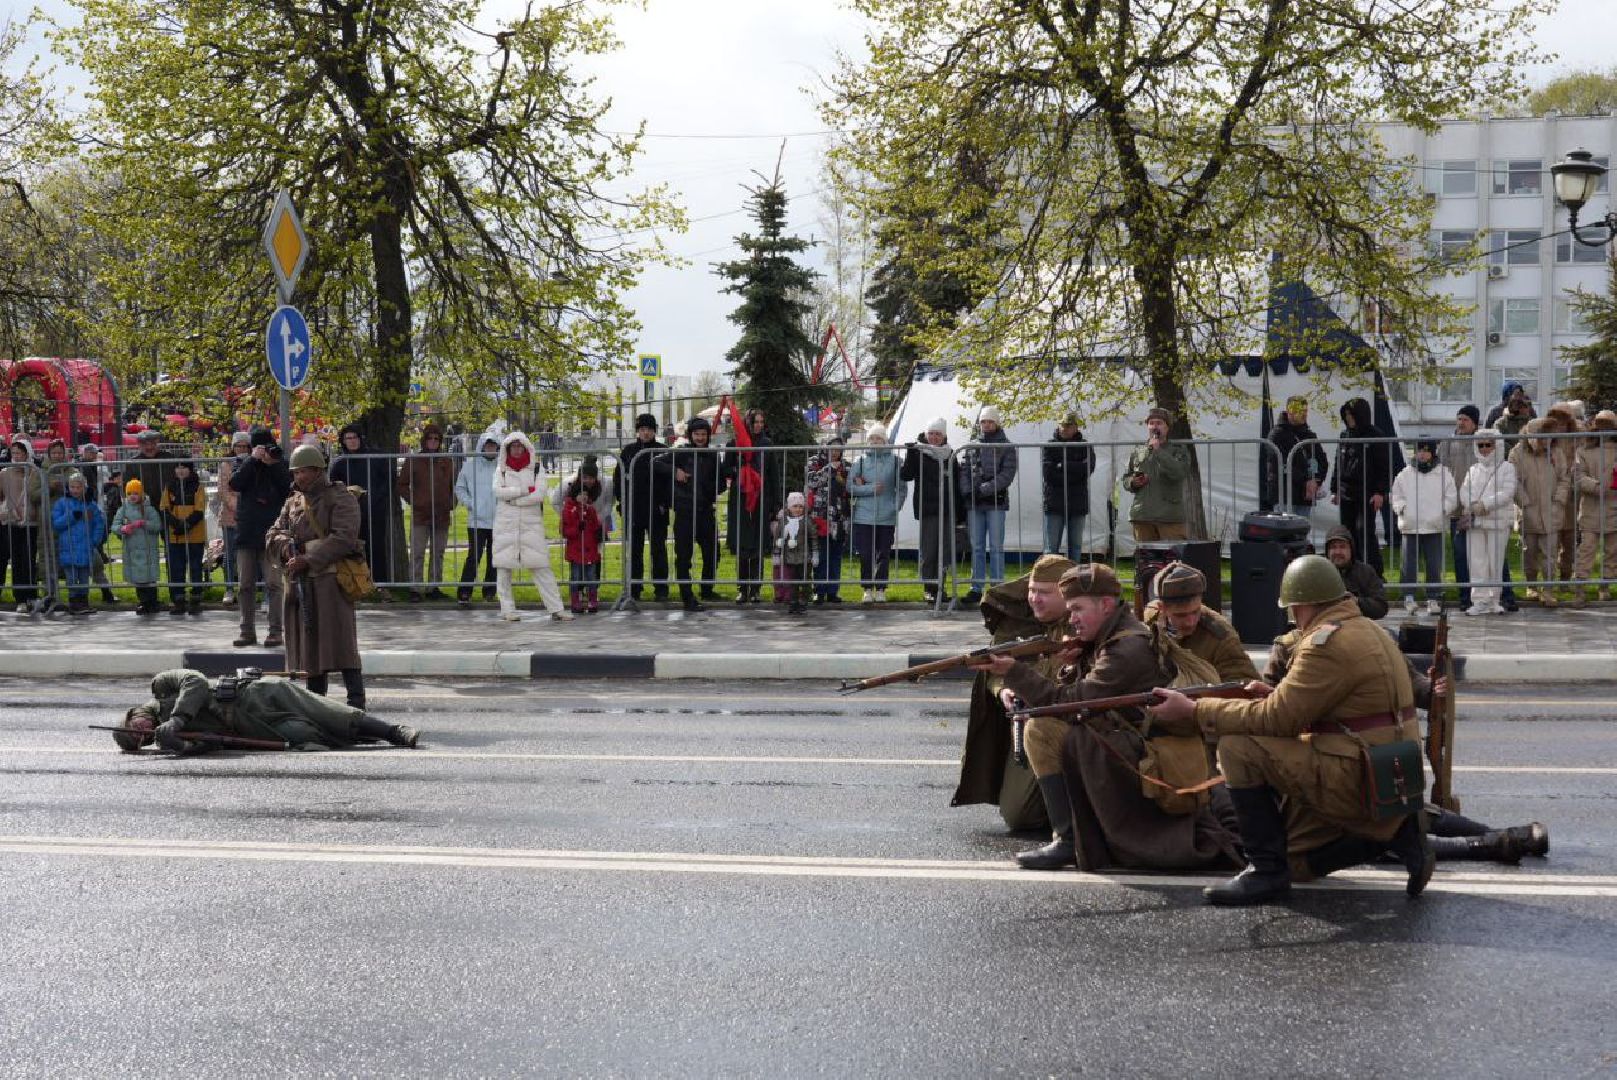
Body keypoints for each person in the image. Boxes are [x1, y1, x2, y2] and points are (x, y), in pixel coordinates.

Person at [1150, 554, 1433, 905]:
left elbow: (1277, 720)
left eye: (1294, 609)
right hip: (1389, 771)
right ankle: (1391, 836)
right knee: (1297, 863)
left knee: (1238, 747)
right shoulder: (1371, 631)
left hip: (1355, 773)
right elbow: (1337, 707)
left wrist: (1194, 710)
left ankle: (1264, 872)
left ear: (1305, 604)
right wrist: (1275, 696)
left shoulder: (1325, 645)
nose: (1293, 618)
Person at [1259, 619, 1550, 865]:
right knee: (1391, 829)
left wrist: (1434, 688)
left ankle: (1502, 837)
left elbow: (1415, 689)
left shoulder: (1369, 640)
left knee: (1406, 819)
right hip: (1313, 767)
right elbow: (1268, 713)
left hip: (1360, 762)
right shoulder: (1288, 648)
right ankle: (1500, 842)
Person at [952, 553, 1075, 833]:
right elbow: (992, 670)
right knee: (1019, 816)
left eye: (1044, 593)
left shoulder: (1083, 620)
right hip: (1030, 723)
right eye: (1031, 590)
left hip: (1078, 722)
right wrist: (1004, 689)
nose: (1034, 599)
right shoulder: (1015, 621)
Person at [267, 442, 370, 709]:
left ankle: (356, 703)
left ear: (317, 470)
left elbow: (344, 538)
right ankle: (318, 705)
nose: (297, 477)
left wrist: (308, 558)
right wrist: (285, 545)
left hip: (331, 579)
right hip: (301, 581)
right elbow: (273, 533)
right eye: (295, 472)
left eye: (302, 471)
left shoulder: (340, 497)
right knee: (310, 647)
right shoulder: (293, 501)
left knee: (341, 642)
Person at [113, 668, 418, 754]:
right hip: (250, 727)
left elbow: (195, 680)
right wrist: (182, 745)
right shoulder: (168, 738)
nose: (140, 732)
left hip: (256, 695)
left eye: (134, 728)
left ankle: (394, 732)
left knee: (328, 711)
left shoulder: (160, 688)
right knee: (309, 735)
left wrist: (178, 717)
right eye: (139, 740)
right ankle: (368, 738)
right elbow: (209, 742)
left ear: (132, 714)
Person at [490, 430, 572, 622]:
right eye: (514, 447)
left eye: (520, 446)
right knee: (503, 568)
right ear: (508, 449)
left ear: (526, 447)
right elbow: (498, 491)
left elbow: (540, 493)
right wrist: (524, 490)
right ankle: (507, 609)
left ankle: (556, 608)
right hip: (506, 523)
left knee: (541, 565)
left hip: (530, 522)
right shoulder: (501, 469)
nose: (517, 450)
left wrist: (516, 500)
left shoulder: (536, 468)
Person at [1141, 562, 1257, 683]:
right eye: (1181, 615)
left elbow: (1244, 685)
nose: (1190, 622)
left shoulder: (1221, 637)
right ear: (1162, 608)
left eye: (1195, 612)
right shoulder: (1152, 618)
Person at [229, 428, 292, 648]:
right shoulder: (244, 463)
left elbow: (288, 488)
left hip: (272, 533)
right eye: (259, 446)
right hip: (247, 532)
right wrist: (252, 461)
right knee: (245, 585)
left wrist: (272, 464)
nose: (264, 450)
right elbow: (235, 484)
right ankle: (247, 631)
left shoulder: (279, 464)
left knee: (274, 584)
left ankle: (275, 631)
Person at [657, 415, 725, 611]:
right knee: (684, 556)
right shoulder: (681, 452)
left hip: (705, 510)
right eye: (697, 434)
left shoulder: (713, 455)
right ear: (690, 435)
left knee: (712, 552)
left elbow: (721, 482)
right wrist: (675, 471)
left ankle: (707, 589)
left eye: (704, 434)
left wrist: (709, 488)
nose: (700, 438)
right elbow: (656, 462)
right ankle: (687, 596)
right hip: (684, 510)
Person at [327, 423, 400, 596]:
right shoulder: (339, 463)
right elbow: (334, 488)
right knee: (351, 549)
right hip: (350, 514)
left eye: (354, 437)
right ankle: (354, 587)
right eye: (348, 438)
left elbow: (388, 481)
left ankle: (381, 586)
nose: (351, 441)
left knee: (377, 548)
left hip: (374, 511)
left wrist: (375, 498)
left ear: (360, 439)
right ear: (343, 441)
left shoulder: (376, 457)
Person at [1390, 439, 1459, 616]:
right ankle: (1409, 596)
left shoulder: (1443, 473)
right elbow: (1396, 495)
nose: (1422, 454)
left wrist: (1443, 510)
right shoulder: (1405, 474)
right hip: (1411, 524)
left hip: (1433, 524)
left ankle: (1433, 597)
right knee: (1408, 563)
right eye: (1419, 451)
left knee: (1434, 563)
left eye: (1426, 451)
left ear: (1432, 453)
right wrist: (1402, 508)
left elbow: (1451, 496)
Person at [957, 405, 1017, 603]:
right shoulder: (971, 445)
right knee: (977, 546)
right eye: (983, 421)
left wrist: (984, 489)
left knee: (996, 545)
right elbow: (964, 470)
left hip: (996, 503)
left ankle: (998, 586)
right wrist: (968, 489)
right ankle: (976, 587)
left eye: (990, 421)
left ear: (997, 422)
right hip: (975, 503)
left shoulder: (1007, 446)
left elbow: (1007, 475)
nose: (987, 424)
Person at [1327, 397, 1391, 576]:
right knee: (1348, 533)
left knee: (1365, 532)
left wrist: (1380, 492)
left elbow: (1383, 467)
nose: (1349, 419)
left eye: (1351, 415)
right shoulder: (1345, 435)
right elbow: (1338, 463)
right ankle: (1350, 571)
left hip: (1367, 492)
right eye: (1346, 415)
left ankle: (1373, 573)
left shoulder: (1375, 435)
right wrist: (1335, 488)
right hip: (1347, 491)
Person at [1509, 419, 1569, 607]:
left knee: (1550, 553)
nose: (1547, 441)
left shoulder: (1557, 453)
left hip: (1552, 510)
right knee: (1530, 551)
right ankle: (1531, 585)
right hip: (1528, 510)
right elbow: (1514, 481)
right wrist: (1524, 502)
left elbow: (1564, 478)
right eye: (1543, 437)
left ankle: (1548, 589)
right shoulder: (1517, 453)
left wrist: (1559, 500)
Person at [723, 408, 781, 604]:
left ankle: (755, 588)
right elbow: (725, 470)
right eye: (755, 422)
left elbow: (774, 476)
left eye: (761, 422)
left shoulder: (767, 444)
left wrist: (775, 504)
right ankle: (742, 588)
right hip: (740, 499)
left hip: (761, 499)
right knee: (742, 545)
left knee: (757, 545)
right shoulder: (734, 444)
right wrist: (742, 471)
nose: (758, 425)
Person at [1458, 429, 1517, 616]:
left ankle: (1494, 600)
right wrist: (1472, 504)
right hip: (1476, 522)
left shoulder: (1507, 467)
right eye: (1480, 445)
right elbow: (1464, 490)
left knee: (1495, 562)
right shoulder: (1473, 469)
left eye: (1488, 445)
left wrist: (1486, 504)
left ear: (1496, 445)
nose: (1484, 449)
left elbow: (1508, 492)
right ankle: (1479, 600)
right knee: (1476, 562)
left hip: (1498, 522)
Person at [397, 422, 457, 601]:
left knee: (438, 553)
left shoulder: (447, 461)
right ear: (424, 440)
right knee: (417, 552)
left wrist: (451, 502)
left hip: (442, 514)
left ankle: (434, 587)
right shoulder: (414, 460)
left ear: (440, 441)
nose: (433, 441)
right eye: (430, 438)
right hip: (420, 515)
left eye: (436, 439)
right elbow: (401, 484)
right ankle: (415, 588)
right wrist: (414, 501)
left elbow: (455, 486)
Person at [848, 423, 906, 604]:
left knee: (883, 553)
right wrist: (870, 489)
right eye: (872, 438)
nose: (875, 442)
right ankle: (866, 588)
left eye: (878, 438)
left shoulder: (896, 460)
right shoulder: (860, 461)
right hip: (863, 515)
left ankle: (881, 588)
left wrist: (895, 506)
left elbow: (901, 488)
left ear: (885, 440)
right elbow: (850, 487)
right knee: (865, 553)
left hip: (886, 516)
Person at [615, 413, 670, 601]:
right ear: (638, 431)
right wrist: (621, 502)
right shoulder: (628, 451)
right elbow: (618, 477)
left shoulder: (664, 450)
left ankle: (661, 589)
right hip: (634, 509)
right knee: (635, 551)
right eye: (642, 429)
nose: (645, 433)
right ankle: (634, 589)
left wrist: (665, 503)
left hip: (657, 509)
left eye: (649, 429)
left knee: (658, 550)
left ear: (654, 431)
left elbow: (669, 481)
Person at [901, 418, 954, 604]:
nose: (933, 437)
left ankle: (941, 587)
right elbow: (905, 475)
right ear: (925, 434)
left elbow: (955, 481)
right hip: (928, 508)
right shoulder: (918, 451)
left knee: (944, 551)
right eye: (931, 433)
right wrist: (910, 453)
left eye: (937, 434)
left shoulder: (950, 454)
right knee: (929, 550)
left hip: (947, 508)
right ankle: (929, 588)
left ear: (944, 436)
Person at [1122, 406, 1191, 542]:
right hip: (1142, 516)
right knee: (1146, 561)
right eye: (1151, 423)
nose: (1154, 426)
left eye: (1159, 423)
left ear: (1167, 427)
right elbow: (1126, 479)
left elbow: (1178, 473)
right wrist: (1133, 482)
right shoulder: (1139, 451)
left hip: (1169, 517)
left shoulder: (1178, 450)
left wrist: (1158, 451)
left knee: (1173, 560)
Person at [1437, 405, 1482, 608]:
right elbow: (1441, 471)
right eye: (1459, 419)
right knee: (1460, 553)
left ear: (1474, 422)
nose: (1461, 423)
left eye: (1465, 419)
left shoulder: (1482, 442)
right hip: (1456, 509)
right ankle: (1465, 596)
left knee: (1481, 554)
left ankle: (1482, 595)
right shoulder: (1447, 443)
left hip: (1479, 507)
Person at [1572, 410, 1617, 606]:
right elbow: (1578, 476)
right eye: (1601, 424)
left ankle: (1604, 587)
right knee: (1586, 550)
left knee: (1612, 551)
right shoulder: (1584, 450)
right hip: (1590, 508)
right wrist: (1596, 486)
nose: (1604, 428)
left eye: (1608, 424)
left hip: (1614, 507)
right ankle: (1580, 589)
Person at [454, 428, 501, 606]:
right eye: (487, 445)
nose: (490, 448)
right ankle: (464, 591)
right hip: (476, 520)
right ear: (482, 446)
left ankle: (490, 591)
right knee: (474, 556)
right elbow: (460, 488)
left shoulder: (501, 466)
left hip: (498, 519)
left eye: (493, 446)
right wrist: (470, 503)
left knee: (494, 558)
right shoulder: (470, 465)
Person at [157, 459, 208, 615]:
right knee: (176, 568)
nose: (180, 470)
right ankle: (178, 599)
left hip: (194, 534)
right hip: (175, 535)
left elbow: (199, 510)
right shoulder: (169, 487)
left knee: (195, 567)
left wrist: (186, 525)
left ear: (190, 469)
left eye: (183, 467)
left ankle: (195, 598)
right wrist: (175, 524)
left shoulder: (198, 487)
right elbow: (164, 508)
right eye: (177, 467)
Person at [1262, 396, 1327, 517]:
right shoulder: (1276, 434)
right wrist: (1306, 481)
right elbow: (1280, 463)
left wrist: (1316, 480)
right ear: (1289, 411)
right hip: (1284, 496)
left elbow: (1322, 460)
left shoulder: (1310, 435)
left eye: (1305, 410)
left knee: (1301, 532)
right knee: (1284, 532)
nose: (1303, 414)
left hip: (1305, 497)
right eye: (1299, 410)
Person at [52, 470, 106, 616]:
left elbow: (99, 524)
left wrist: (94, 540)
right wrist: (72, 516)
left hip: (85, 547)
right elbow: (56, 523)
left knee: (83, 577)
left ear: (84, 488)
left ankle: (83, 602)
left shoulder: (91, 505)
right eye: (72, 487)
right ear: (68, 487)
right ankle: (73, 602)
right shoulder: (62, 504)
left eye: (78, 487)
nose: (75, 490)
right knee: (71, 577)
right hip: (68, 547)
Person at [1042, 413, 1094, 561]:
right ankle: (1050, 580)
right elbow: (1049, 474)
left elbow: (1088, 469)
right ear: (1058, 425)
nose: (1065, 429)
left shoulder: (1085, 445)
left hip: (1077, 502)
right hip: (1054, 502)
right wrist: (1076, 468)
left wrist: (1063, 465)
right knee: (1051, 548)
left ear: (1076, 427)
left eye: (1069, 426)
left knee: (1075, 546)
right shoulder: (1049, 445)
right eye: (1063, 425)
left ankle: (1073, 580)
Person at [0, 435, 44, 612]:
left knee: (29, 558)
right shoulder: (4, 473)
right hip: (11, 522)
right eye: (14, 452)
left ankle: (31, 595)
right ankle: (20, 597)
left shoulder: (35, 471)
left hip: (31, 522)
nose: (16, 456)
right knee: (17, 559)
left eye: (20, 453)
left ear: (27, 454)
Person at [806, 437, 850, 604]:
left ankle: (832, 591)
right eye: (833, 449)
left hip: (839, 518)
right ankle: (819, 590)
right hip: (820, 517)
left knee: (835, 555)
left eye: (839, 449)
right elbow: (811, 481)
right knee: (820, 555)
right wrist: (829, 469)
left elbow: (850, 486)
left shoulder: (846, 465)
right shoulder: (814, 462)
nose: (836, 452)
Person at [111, 479, 163, 615]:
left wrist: (145, 523)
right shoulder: (123, 509)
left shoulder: (149, 509)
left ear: (141, 494)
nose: (132, 496)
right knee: (138, 577)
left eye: (135, 493)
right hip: (132, 550)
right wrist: (123, 528)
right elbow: (114, 526)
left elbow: (157, 526)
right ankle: (143, 602)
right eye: (129, 493)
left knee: (149, 577)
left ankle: (153, 601)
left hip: (148, 550)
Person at [76, 443, 116, 604]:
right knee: (77, 566)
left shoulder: (98, 469)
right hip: (77, 532)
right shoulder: (80, 467)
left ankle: (105, 591)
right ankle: (80, 596)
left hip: (91, 524)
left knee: (96, 562)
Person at [216, 431, 252, 605]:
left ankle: (248, 587)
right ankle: (229, 587)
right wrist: (238, 507)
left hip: (250, 515)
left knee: (250, 554)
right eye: (239, 446)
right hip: (231, 515)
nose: (242, 449)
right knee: (229, 554)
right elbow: (223, 490)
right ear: (233, 447)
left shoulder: (254, 463)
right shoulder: (226, 465)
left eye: (245, 446)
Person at [1323, 524, 1388, 620]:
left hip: (1358, 626)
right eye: (1333, 547)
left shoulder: (1365, 572)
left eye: (1342, 547)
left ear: (1351, 550)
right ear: (1327, 551)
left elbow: (1381, 607)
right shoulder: (1319, 572)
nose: (1338, 552)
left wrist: (1356, 601)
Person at [561, 485, 604, 614]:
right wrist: (577, 528)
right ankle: (575, 601)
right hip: (576, 550)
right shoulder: (569, 510)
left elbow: (595, 525)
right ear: (575, 495)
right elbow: (566, 531)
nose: (584, 497)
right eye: (581, 494)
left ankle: (592, 600)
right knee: (576, 576)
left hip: (590, 549)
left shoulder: (590, 510)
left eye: (586, 494)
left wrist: (599, 532)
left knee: (592, 576)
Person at [771, 491, 816, 615]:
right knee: (792, 581)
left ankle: (804, 600)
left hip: (804, 557)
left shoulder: (806, 521)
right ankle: (793, 601)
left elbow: (813, 537)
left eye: (801, 506)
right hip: (789, 557)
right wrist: (776, 552)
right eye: (795, 506)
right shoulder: (784, 521)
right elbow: (777, 537)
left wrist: (815, 553)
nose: (798, 509)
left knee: (805, 579)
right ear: (789, 507)